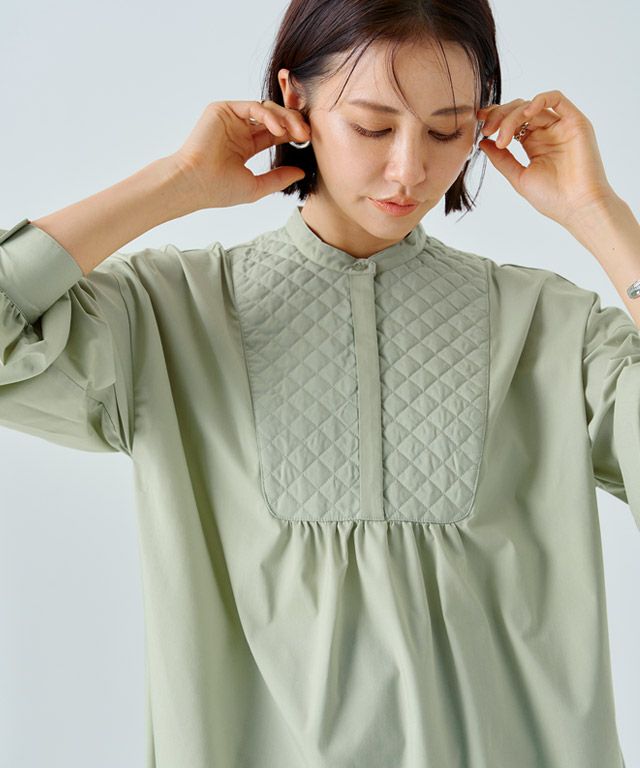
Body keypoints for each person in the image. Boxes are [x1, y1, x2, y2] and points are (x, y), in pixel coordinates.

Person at [1, 1, 639, 766]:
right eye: (372, 127)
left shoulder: (551, 329)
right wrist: (176, 182)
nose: (410, 169)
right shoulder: (170, 317)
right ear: (294, 101)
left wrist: (599, 215)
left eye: (447, 132)